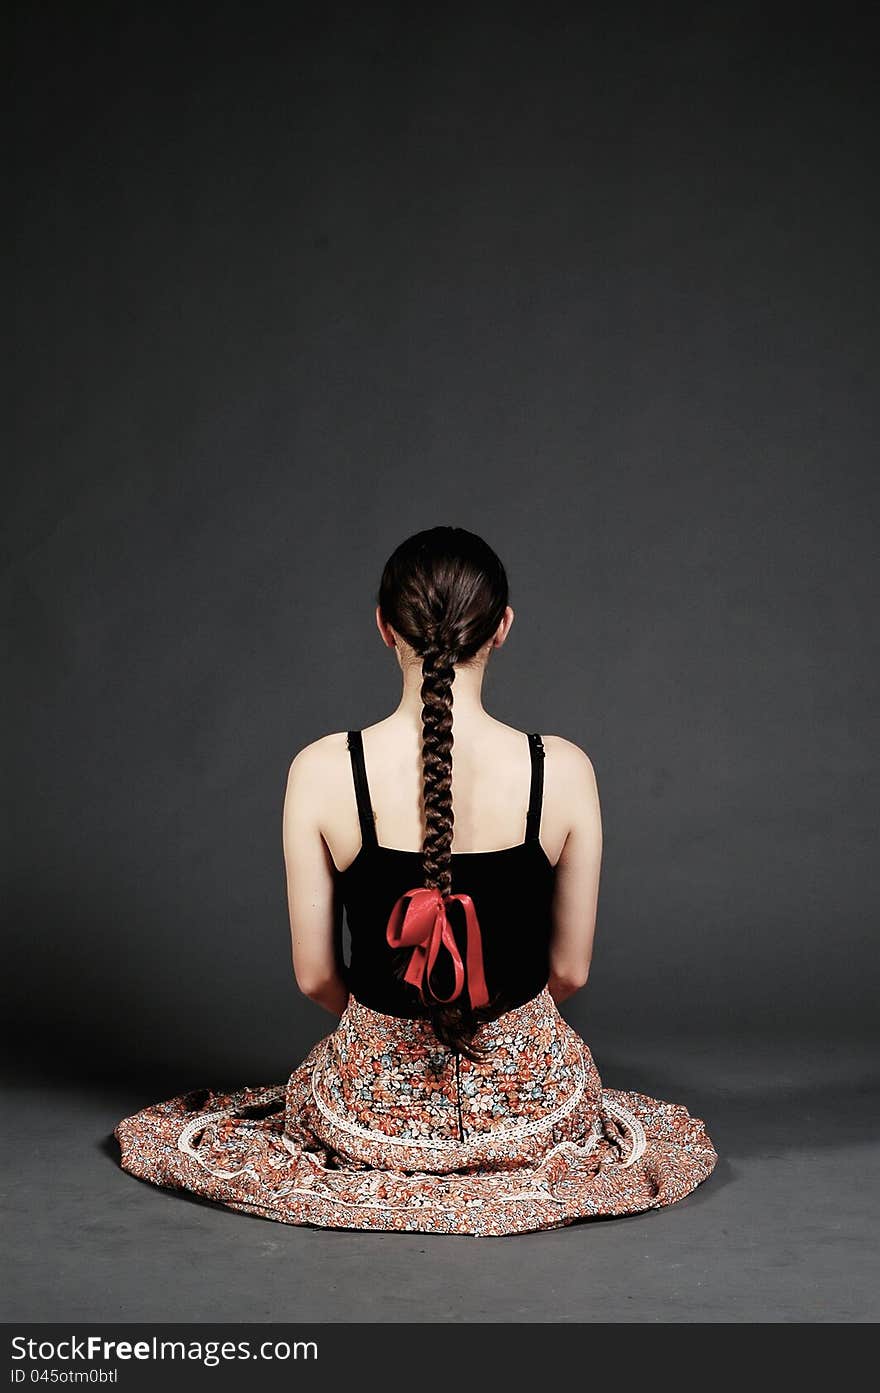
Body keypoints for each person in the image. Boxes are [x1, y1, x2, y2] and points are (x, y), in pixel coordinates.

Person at [114, 526, 716, 1235]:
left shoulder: (320, 771)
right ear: (503, 629)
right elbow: (571, 971)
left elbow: (314, 976)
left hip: (368, 1105)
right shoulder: (564, 770)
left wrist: (390, 1029)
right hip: (533, 1104)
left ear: (383, 627)